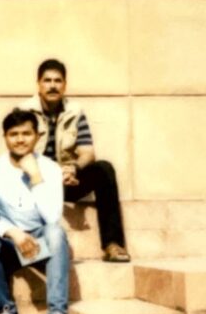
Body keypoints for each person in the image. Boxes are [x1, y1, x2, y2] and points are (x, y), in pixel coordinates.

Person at [0, 108, 71, 314]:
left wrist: (36, 176)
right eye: (13, 134)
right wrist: (13, 233)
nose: (20, 139)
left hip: (41, 244)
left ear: (37, 136)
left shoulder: (50, 168)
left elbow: (52, 217)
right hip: (10, 244)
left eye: (26, 134)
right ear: (5, 137)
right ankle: (7, 312)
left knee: (56, 233)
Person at [23, 59, 130, 263]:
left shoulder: (75, 111)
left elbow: (87, 152)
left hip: (67, 178)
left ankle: (113, 244)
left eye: (57, 81)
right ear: (38, 84)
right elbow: (20, 155)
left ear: (65, 84)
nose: (52, 85)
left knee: (104, 169)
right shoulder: (25, 111)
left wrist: (73, 168)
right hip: (37, 181)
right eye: (47, 81)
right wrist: (53, 174)